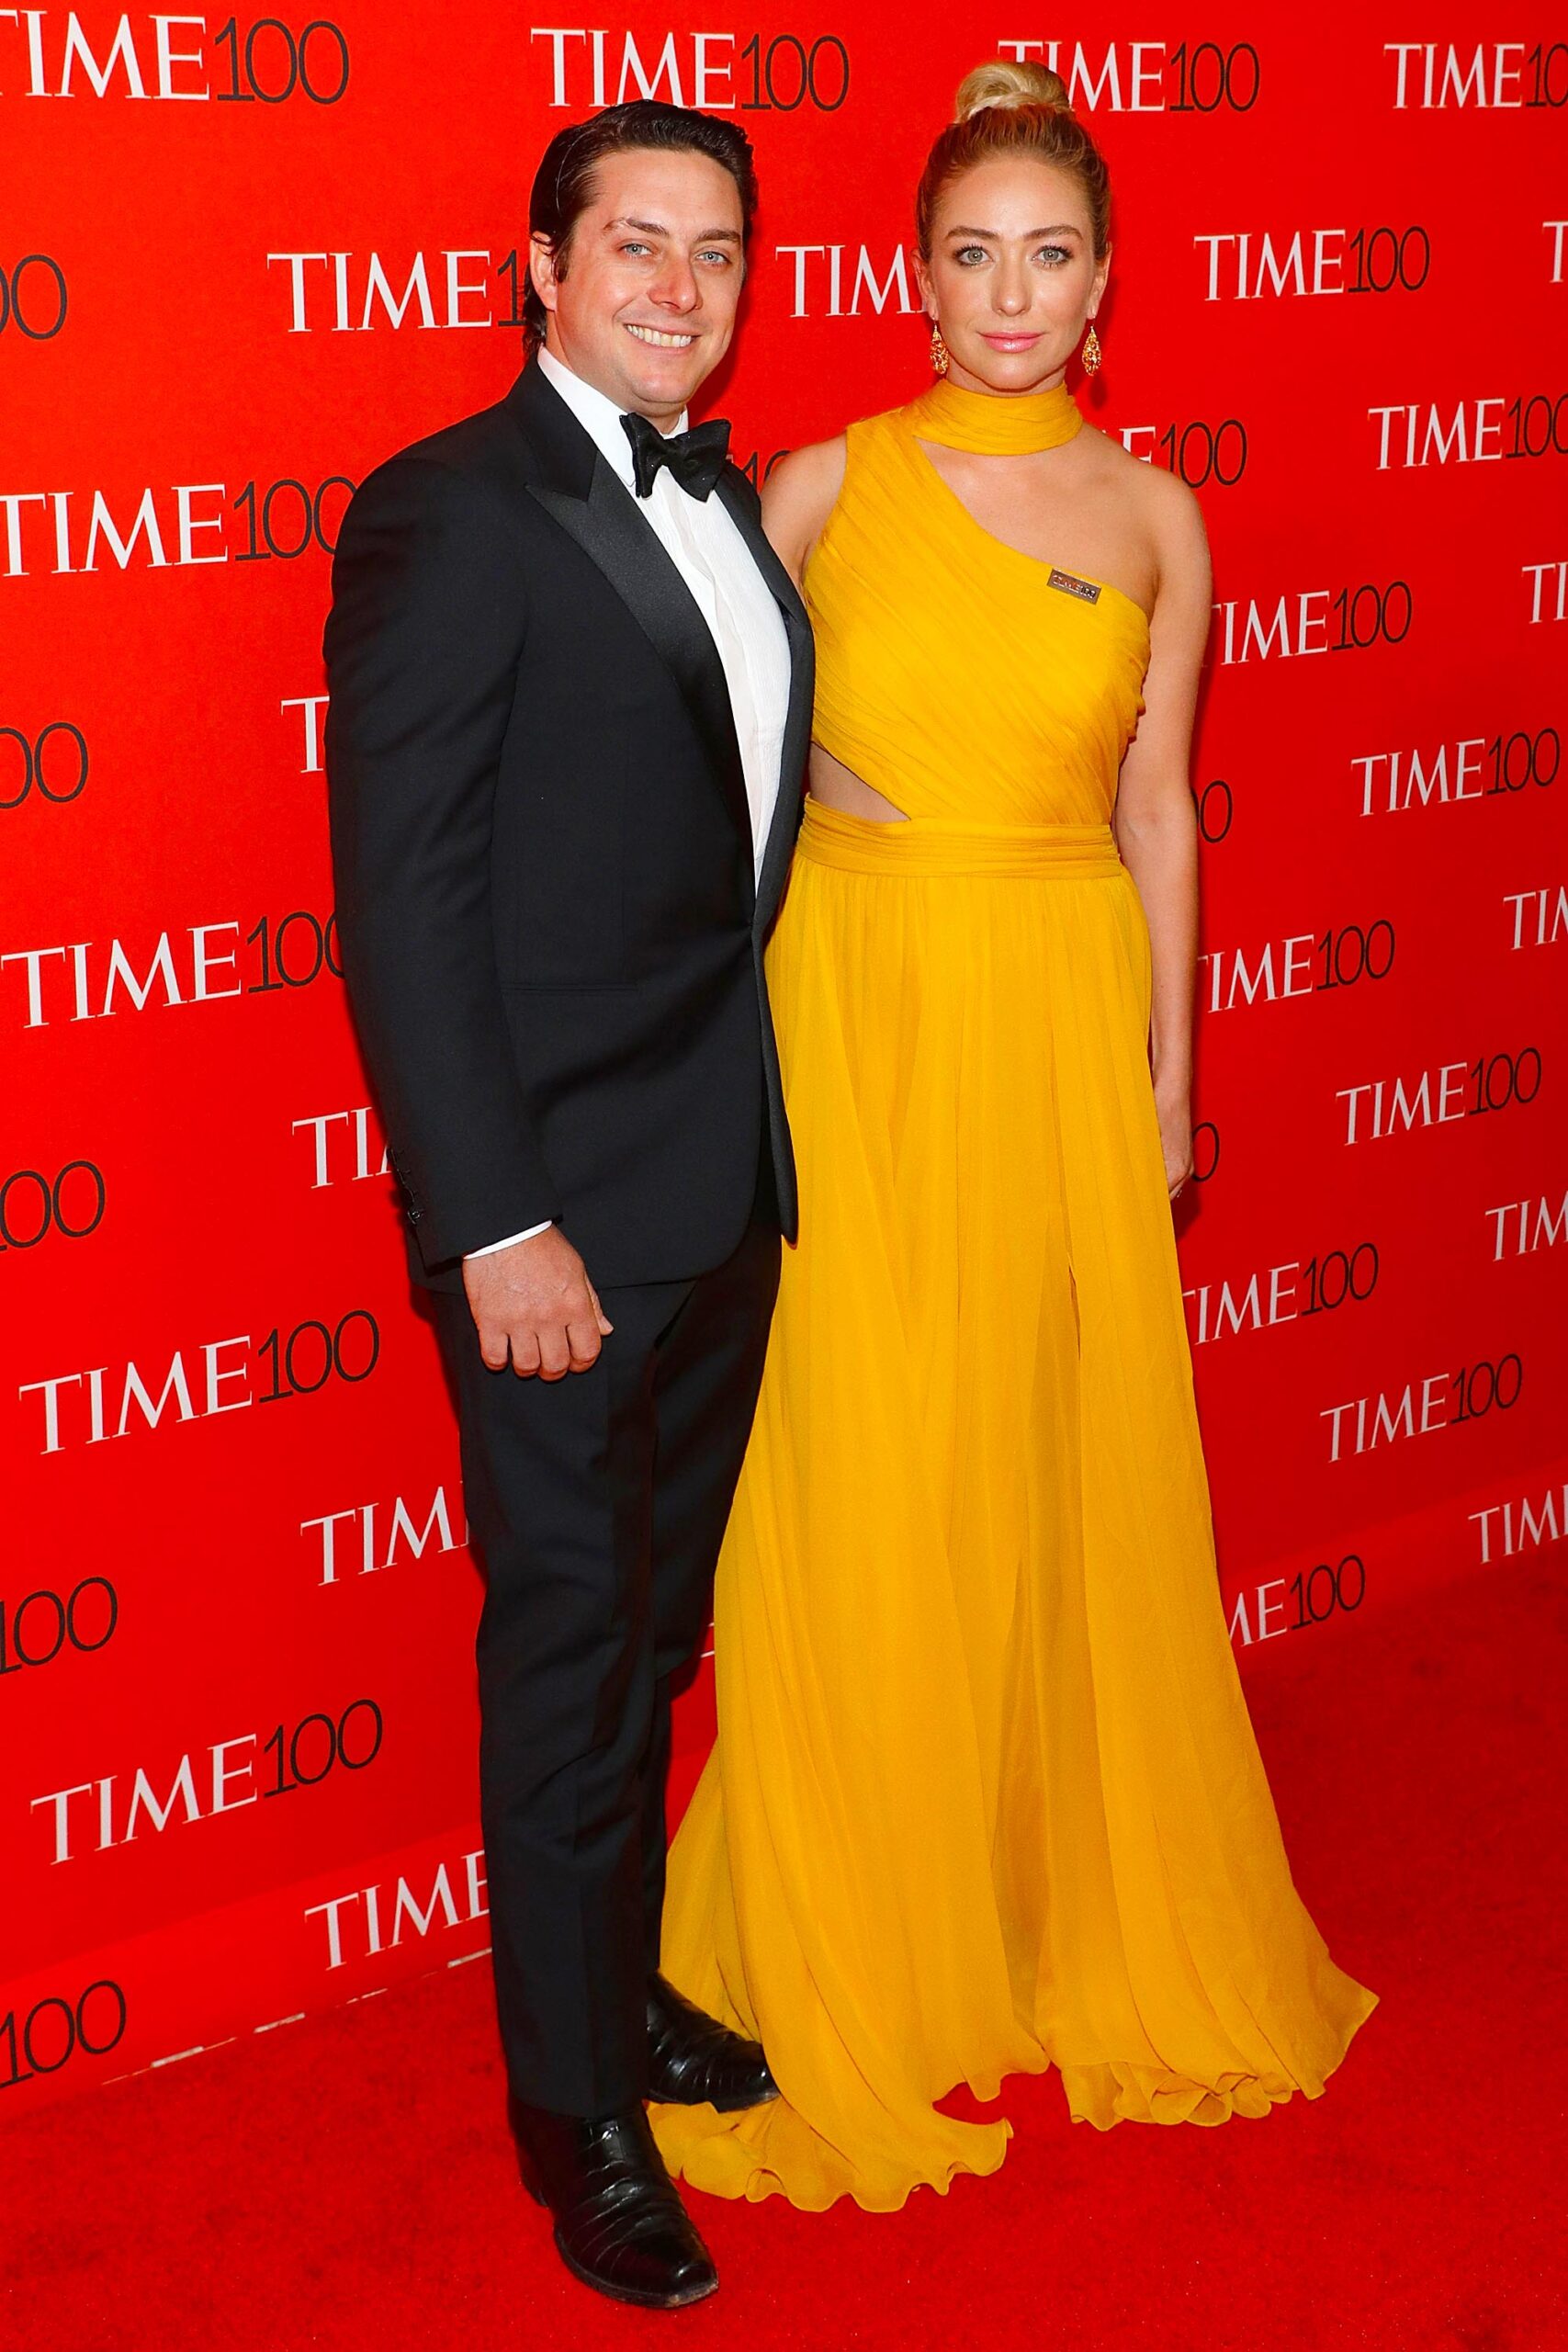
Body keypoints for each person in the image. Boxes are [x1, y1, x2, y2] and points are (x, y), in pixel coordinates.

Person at [652, 60, 1377, 2213]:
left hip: (1057, 1017)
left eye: (1046, 254)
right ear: (911, 271)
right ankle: (860, 1917)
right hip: (855, 1014)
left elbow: (1158, 811)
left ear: (1103, 283)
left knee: (1049, 1462)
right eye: (967, 252)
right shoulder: (812, 482)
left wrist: (1167, 1073)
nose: (1006, 291)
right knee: (862, 1461)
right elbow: (695, 771)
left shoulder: (1158, 517)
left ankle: (1038, 1891)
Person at [323, 100, 814, 2307]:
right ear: (536, 262)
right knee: (565, 1663)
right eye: (634, 242)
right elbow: (405, 900)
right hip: (554, 1230)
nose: (678, 284)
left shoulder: (735, 504)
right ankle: (573, 2117)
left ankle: (615, 2010)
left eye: (714, 248)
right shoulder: (450, 509)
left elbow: (719, 838)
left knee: (650, 1643)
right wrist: (491, 1215)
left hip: (717, 1189)